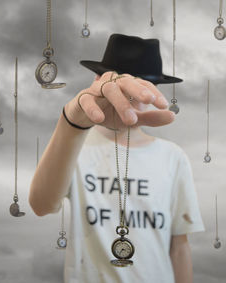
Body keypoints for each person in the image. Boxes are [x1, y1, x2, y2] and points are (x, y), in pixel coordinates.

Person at [29, 34, 204, 283]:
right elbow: (41, 205)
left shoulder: (173, 157)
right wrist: (71, 124)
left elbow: (180, 246)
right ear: (99, 81)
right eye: (124, 87)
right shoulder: (74, 145)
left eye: (142, 88)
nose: (130, 98)